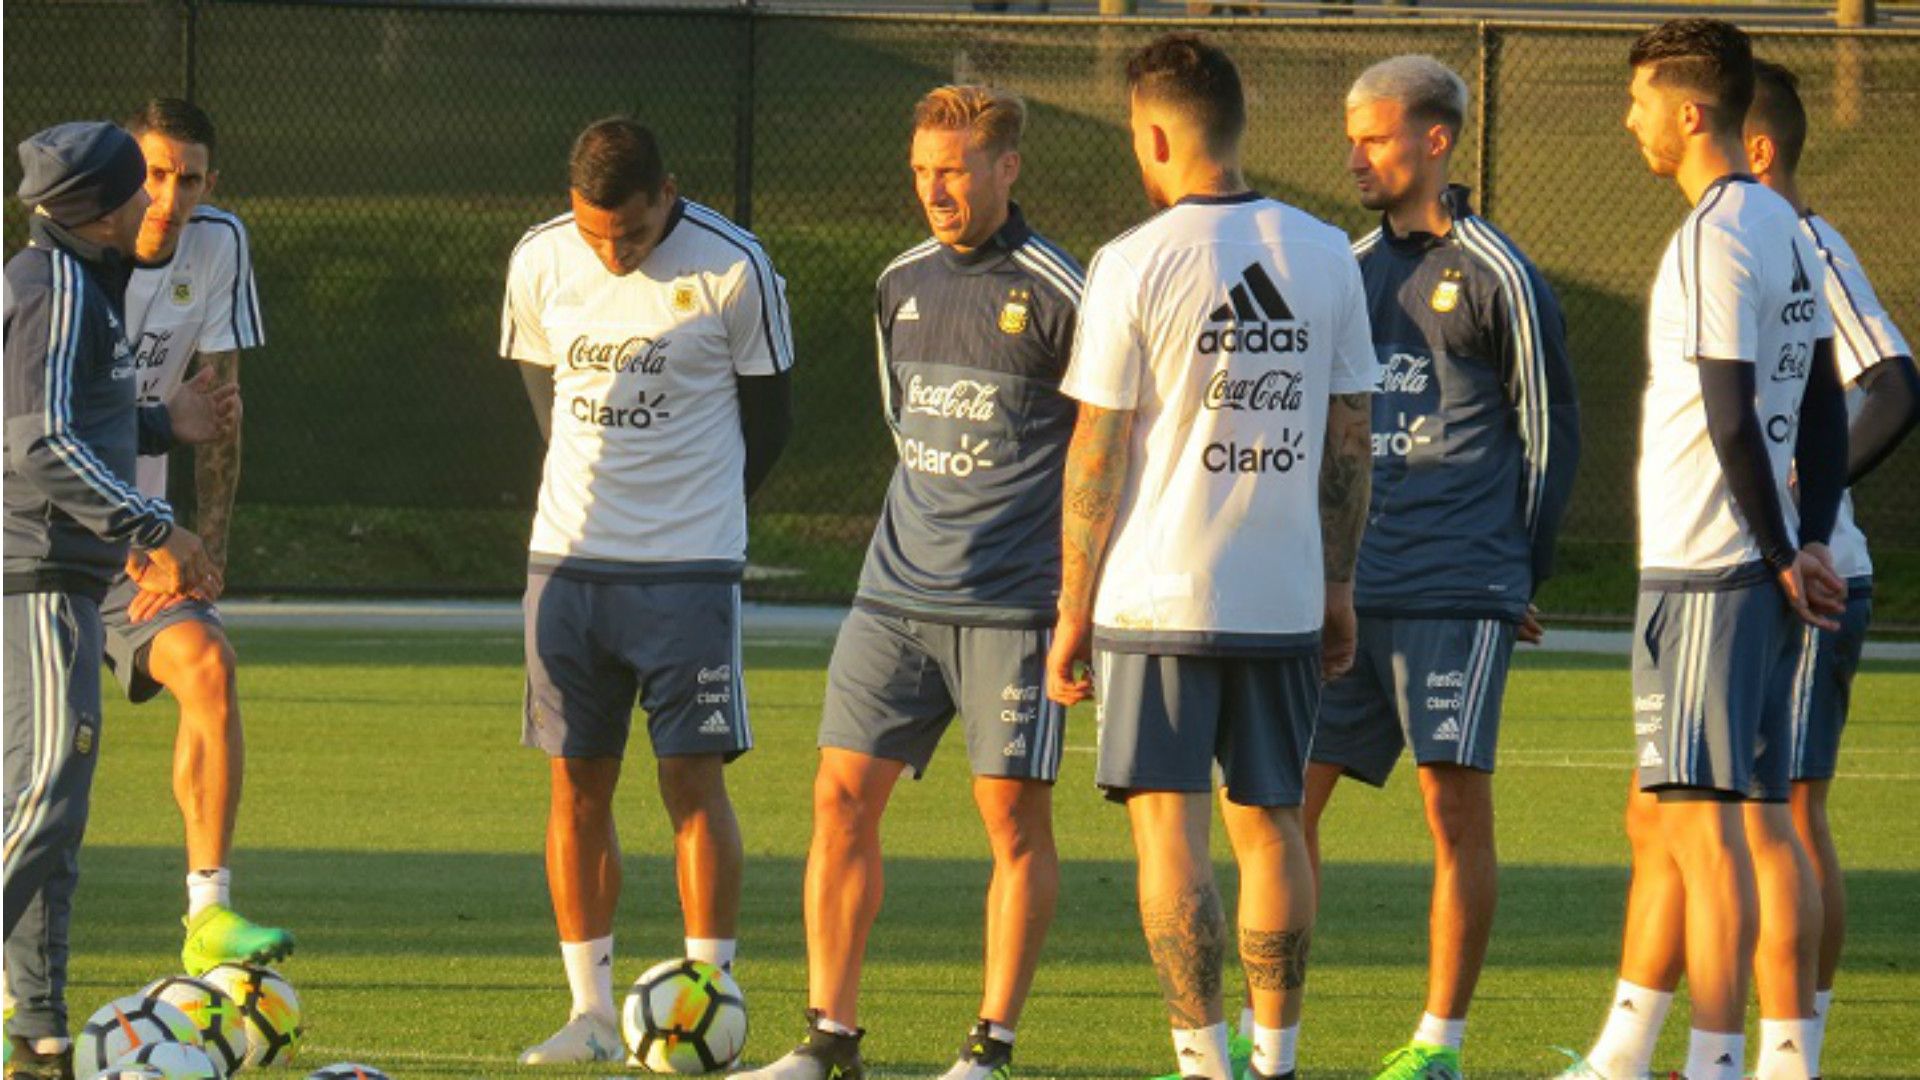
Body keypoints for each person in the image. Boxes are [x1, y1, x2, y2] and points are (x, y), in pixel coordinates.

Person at [1046, 34, 1377, 1080]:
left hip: (1155, 599)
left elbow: (1096, 449)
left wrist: (1069, 610)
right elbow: (1350, 443)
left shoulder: (1133, 262)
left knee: (1169, 839)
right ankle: (1275, 1062)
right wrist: (1337, 585)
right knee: (1272, 827)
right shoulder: (1327, 251)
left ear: (1151, 134)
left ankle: (1204, 1064)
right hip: (1280, 595)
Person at [737, 85, 1081, 1080]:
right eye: (922, 169)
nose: (935, 187)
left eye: (956, 168)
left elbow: (1111, 449)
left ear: (1007, 167)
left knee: (1012, 819)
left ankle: (989, 1048)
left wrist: (1081, 599)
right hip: (893, 593)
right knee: (839, 797)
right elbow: (908, 430)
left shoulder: (1065, 291)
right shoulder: (899, 283)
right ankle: (827, 1040)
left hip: (1015, 604)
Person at [1555, 20, 1848, 1080]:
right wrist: (1809, 542)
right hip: (1755, 569)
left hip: (1708, 568)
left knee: (1701, 826)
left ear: (1689, 113)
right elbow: (1818, 398)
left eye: (1639, 100)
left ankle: (1715, 1060)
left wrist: (1780, 550)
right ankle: (1769, 1057)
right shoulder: (1781, 224)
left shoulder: (1717, 235)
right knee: (1755, 813)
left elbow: (1733, 415)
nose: (1629, 118)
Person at [1305, 54, 1580, 1080]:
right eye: (1351, 136)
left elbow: (1551, 437)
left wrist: (1521, 572)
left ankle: (1438, 1045)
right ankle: (1261, 1028)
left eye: (1374, 137)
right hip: (1348, 590)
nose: (1356, 156)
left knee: (1450, 810)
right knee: (1285, 805)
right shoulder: (1346, 267)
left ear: (1435, 140)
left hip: (1457, 584)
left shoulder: (1498, 273)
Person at [501, 116, 794, 1065]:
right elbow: (547, 398)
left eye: (628, 230)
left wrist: (696, 512)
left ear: (668, 192)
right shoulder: (541, 260)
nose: (611, 250)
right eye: (595, 232)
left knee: (690, 782)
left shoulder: (734, 266)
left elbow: (771, 422)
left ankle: (711, 1004)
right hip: (569, 566)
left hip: (689, 571)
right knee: (577, 785)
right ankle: (589, 1014)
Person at [4, 120, 231, 1080]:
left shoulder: (71, 283)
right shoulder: (54, 289)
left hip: (58, 574)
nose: (152, 202)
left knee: (54, 811)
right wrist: (158, 528)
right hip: (39, 575)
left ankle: (38, 1033)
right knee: (48, 785)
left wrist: (157, 419)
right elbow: (39, 446)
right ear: (96, 211)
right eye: (136, 187)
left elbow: (66, 416)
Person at [1749, 58, 1918, 1072]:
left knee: (1792, 811)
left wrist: (1809, 500)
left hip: (1816, 577)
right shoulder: (1741, 247)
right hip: (1762, 573)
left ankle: (1790, 1057)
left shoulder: (1807, 243)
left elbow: (1894, 384)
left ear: (1756, 146)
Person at [90, 98, 285, 977]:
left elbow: (220, 410)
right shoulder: (65, 254)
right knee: (43, 763)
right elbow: (52, 434)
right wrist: (141, 533)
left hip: (147, 544)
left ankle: (208, 913)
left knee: (209, 663)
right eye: (154, 173)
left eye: (189, 177)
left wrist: (207, 552)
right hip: (39, 541)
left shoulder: (220, 245)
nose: (169, 196)